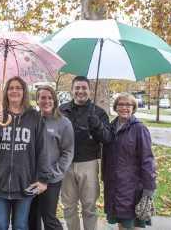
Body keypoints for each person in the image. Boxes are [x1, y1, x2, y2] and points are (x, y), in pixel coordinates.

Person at [0, 76, 50, 230]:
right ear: (6, 92)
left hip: (25, 183)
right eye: (11, 88)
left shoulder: (34, 117)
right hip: (0, 181)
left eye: (18, 88)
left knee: (20, 226)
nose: (14, 91)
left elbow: (42, 149)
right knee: (0, 225)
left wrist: (43, 179)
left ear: (24, 92)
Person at [59, 76, 112, 230]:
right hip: (66, 164)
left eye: (84, 88)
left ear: (89, 90)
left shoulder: (99, 112)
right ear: (72, 90)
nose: (80, 91)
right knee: (69, 207)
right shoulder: (62, 110)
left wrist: (97, 126)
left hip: (88, 163)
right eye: (77, 88)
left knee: (89, 207)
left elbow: (107, 138)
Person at [103, 93, 156, 229]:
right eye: (121, 104)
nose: (124, 108)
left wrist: (149, 187)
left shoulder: (139, 129)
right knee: (121, 222)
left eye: (128, 105)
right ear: (115, 107)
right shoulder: (110, 127)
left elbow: (147, 159)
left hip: (132, 187)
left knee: (131, 223)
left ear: (133, 108)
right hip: (114, 185)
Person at [29, 85, 74, 230]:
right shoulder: (32, 120)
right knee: (31, 216)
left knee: (49, 218)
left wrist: (54, 173)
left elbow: (68, 152)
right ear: (37, 100)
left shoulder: (64, 123)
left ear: (55, 101)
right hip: (31, 177)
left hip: (51, 178)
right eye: (42, 97)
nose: (46, 101)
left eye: (50, 98)